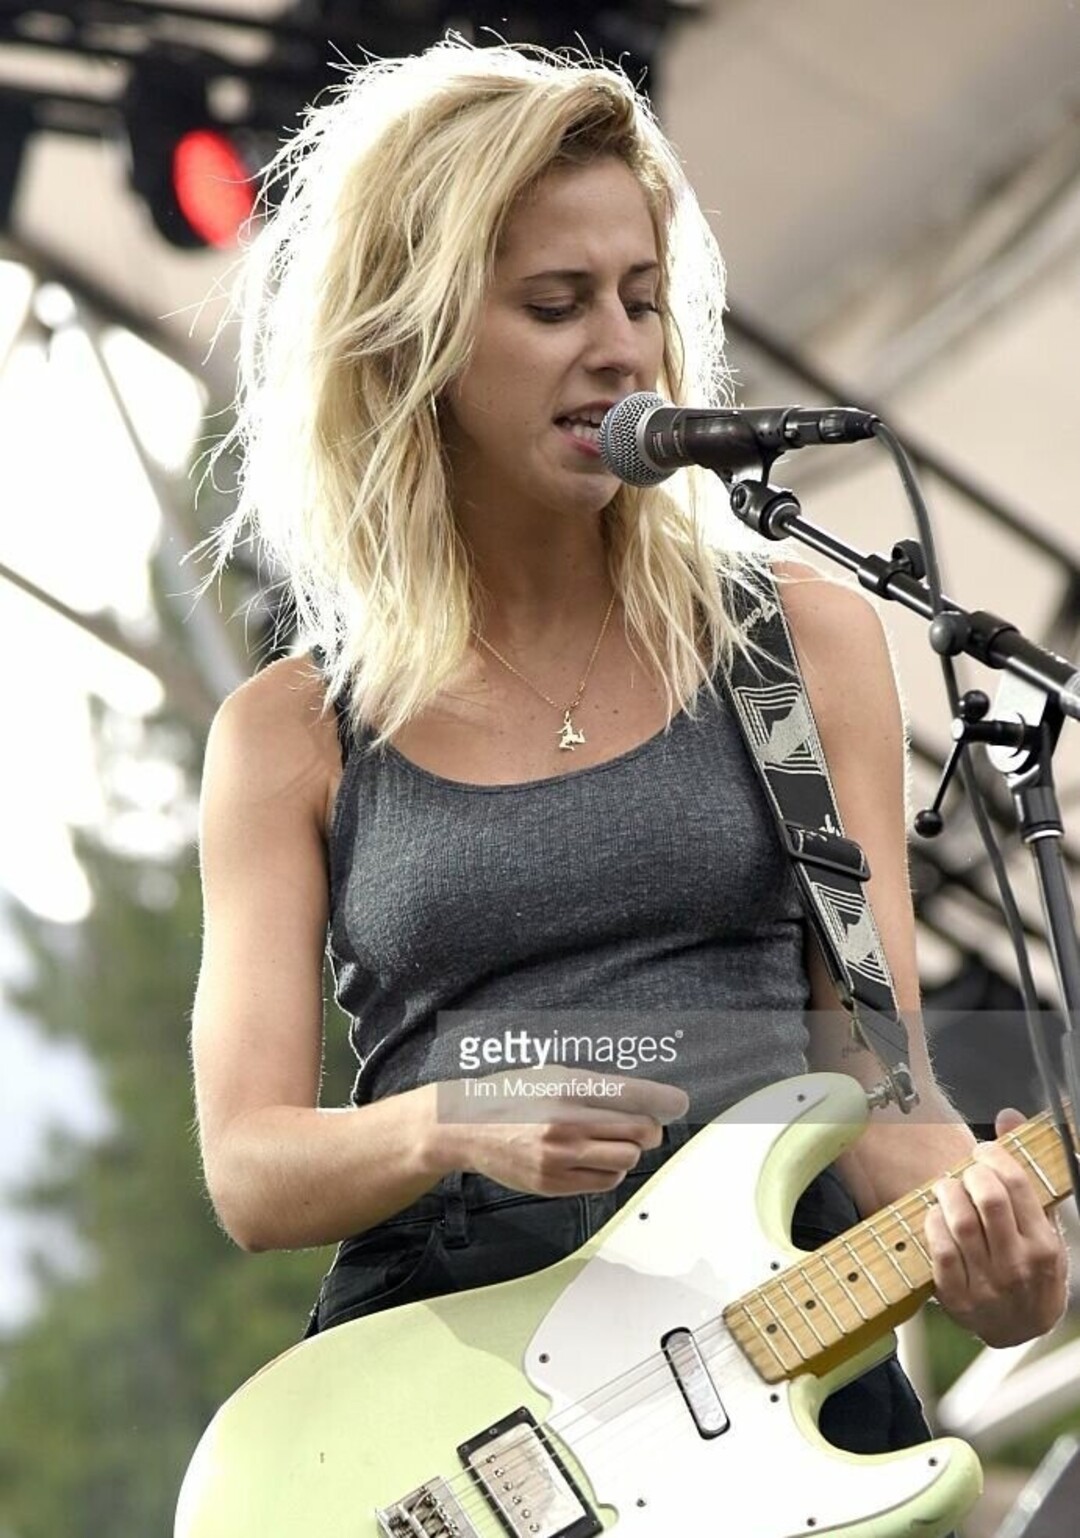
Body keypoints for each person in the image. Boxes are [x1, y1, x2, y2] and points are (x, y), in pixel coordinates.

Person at [191, 38, 1066, 1472]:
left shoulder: (794, 644)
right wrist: (452, 1123)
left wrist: (1007, 1269)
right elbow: (249, 1167)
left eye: (642, 299)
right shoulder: (292, 735)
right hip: (465, 1423)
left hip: (779, 1389)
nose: (619, 346)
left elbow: (885, 1093)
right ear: (414, 341)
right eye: (555, 303)